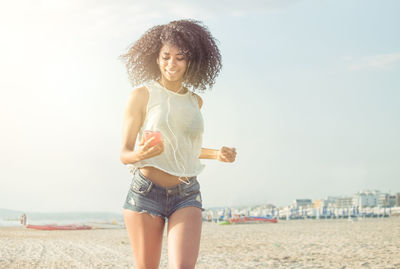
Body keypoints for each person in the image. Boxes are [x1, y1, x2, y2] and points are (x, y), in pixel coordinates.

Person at [119, 19, 237, 269]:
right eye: (166, 57)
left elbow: (187, 150)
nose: (171, 64)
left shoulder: (196, 101)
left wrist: (217, 154)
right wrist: (139, 152)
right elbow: (125, 153)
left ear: (191, 61)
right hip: (146, 193)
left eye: (179, 57)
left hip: (186, 192)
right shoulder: (142, 95)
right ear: (156, 59)